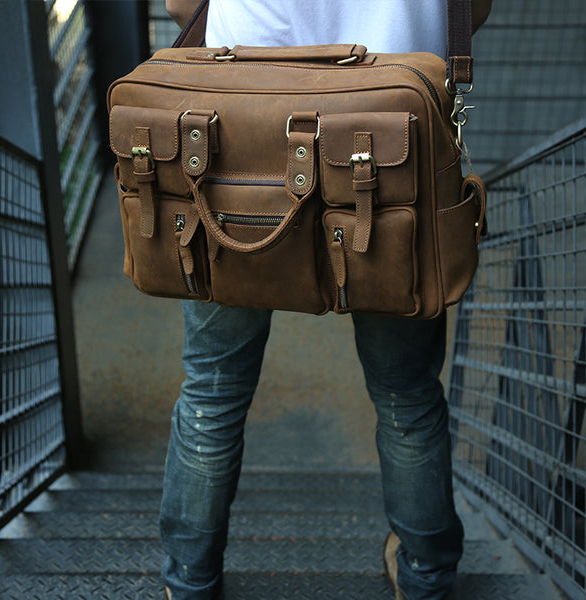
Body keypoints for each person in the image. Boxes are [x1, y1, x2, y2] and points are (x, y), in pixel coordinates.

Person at [160, 2, 492, 599]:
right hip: (392, 118)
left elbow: (182, 5)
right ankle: (425, 576)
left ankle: (189, 583)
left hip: (237, 122)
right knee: (407, 394)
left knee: (212, 388)